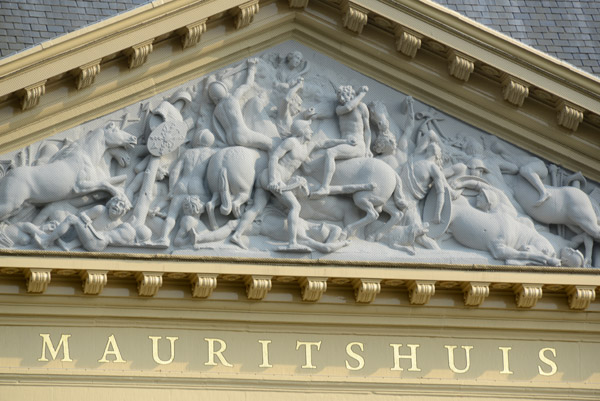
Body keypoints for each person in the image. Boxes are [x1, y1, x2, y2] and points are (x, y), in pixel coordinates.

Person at [156, 129, 216, 246]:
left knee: (172, 215)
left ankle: (163, 238)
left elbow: (174, 172)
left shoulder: (187, 153)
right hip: (198, 188)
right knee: (195, 216)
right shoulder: (212, 153)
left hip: (181, 185)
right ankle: (192, 236)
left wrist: (171, 190)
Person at [311, 85, 372, 197]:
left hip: (357, 144)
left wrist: (368, 148)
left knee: (330, 152)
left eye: (344, 95)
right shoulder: (340, 109)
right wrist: (362, 94)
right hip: (345, 141)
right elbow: (349, 107)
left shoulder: (362, 107)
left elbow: (367, 130)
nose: (342, 99)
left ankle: (325, 187)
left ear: (350, 94)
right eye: (340, 97)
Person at [208, 58, 273, 151]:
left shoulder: (216, 110)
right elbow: (248, 84)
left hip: (229, 139)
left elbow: (217, 129)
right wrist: (251, 68)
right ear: (225, 90)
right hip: (241, 133)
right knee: (271, 144)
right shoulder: (232, 99)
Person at [34, 194, 134, 252]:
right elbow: (83, 214)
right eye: (115, 202)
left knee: (71, 219)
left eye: (121, 205)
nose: (116, 205)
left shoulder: (118, 225)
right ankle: (67, 245)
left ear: (123, 211)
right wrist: (86, 217)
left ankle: (46, 241)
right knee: (67, 222)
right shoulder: (101, 210)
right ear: (110, 202)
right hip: (81, 237)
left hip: (95, 243)